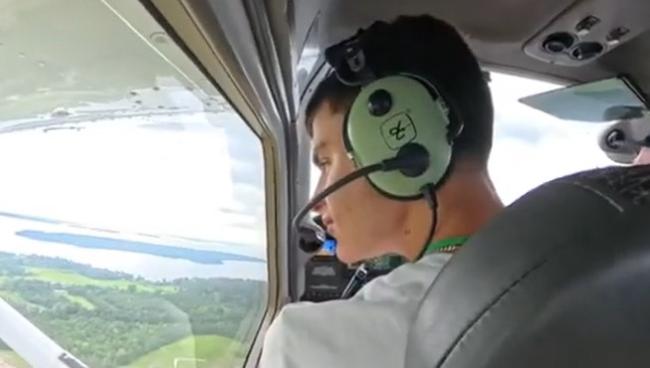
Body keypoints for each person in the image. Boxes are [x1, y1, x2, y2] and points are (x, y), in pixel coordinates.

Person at [260, 14, 504, 367]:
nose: (316, 201)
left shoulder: (304, 345)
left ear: (401, 140)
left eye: (326, 161)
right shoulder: (578, 262)